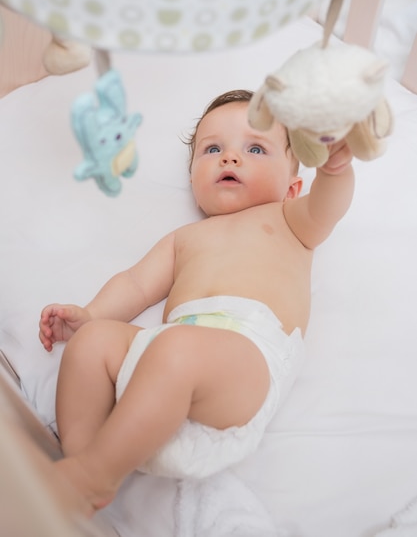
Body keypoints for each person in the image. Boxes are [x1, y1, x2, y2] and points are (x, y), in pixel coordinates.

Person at [39, 89, 354, 514]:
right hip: (165, 356)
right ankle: (86, 459)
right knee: (93, 343)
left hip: (247, 357)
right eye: (212, 149)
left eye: (255, 148)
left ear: (293, 186)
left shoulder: (289, 220)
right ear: (192, 178)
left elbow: (328, 208)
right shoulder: (185, 239)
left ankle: (93, 474)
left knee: (175, 350)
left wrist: (336, 169)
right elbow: (135, 285)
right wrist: (91, 315)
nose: (230, 158)